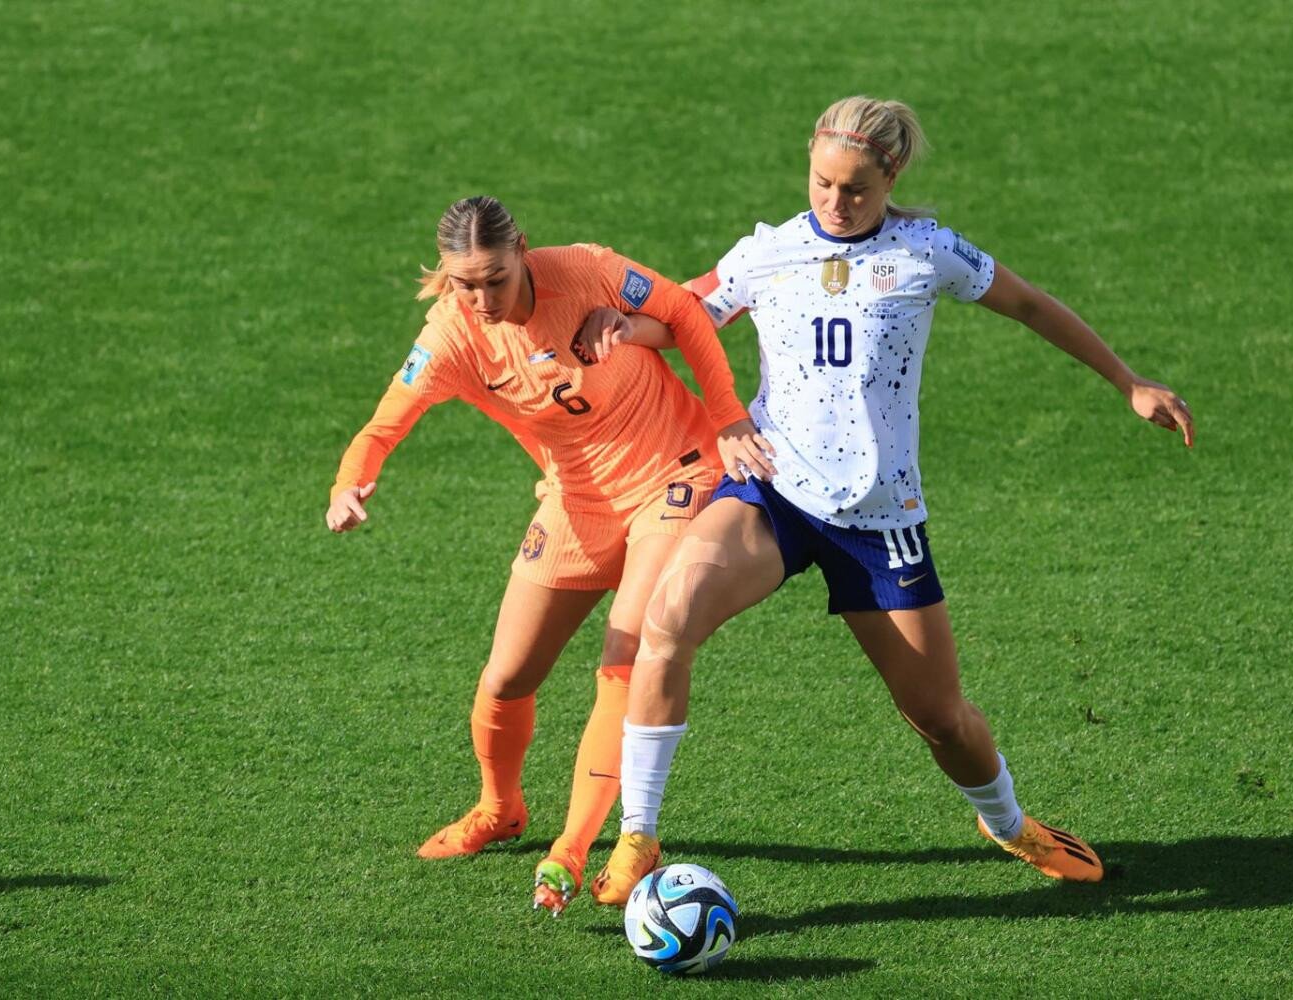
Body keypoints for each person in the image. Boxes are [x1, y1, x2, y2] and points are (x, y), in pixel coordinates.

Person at [586, 96, 1195, 903]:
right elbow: (684, 314)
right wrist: (624, 325)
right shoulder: (767, 253)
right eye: (822, 183)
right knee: (668, 619)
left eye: (856, 190)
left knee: (940, 718)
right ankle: (639, 836)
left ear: (891, 176)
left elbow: (1029, 305)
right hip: (773, 491)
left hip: (880, 521)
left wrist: (1128, 381)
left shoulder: (926, 252)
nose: (835, 204)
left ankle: (1012, 825)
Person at [325, 195, 768, 915]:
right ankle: (500, 810)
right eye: (463, 283)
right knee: (506, 678)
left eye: (494, 279)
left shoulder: (589, 272)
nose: (480, 298)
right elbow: (381, 426)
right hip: (576, 502)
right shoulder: (451, 338)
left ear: (522, 251)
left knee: (625, 654)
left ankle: (571, 848)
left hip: (676, 473)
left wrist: (727, 419)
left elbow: (686, 314)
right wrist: (351, 485)